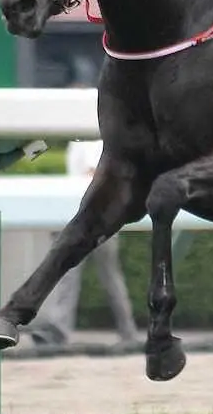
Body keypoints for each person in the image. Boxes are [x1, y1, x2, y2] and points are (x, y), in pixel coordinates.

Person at [29, 139, 139, 346]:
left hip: (91, 220)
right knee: (108, 277)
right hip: (99, 219)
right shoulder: (84, 139)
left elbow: (93, 175)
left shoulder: (87, 140)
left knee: (73, 274)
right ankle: (128, 331)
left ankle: (60, 330)